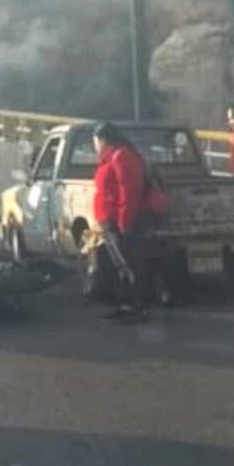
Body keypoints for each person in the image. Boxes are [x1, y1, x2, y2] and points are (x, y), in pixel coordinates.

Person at [92, 122, 149, 323]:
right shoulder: (110, 158)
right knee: (120, 265)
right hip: (109, 220)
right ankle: (125, 305)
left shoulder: (122, 156)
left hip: (121, 220)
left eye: (96, 142)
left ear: (103, 140)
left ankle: (138, 307)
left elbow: (129, 191)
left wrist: (124, 221)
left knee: (129, 264)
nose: (95, 146)